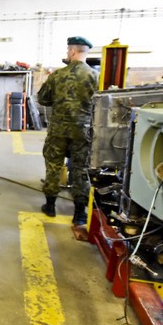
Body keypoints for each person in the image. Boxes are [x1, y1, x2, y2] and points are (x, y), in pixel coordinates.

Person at [36, 36, 98, 225]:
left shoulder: (57, 75)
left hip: (58, 131)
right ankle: (79, 214)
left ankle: (51, 206)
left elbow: (43, 99)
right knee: (80, 170)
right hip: (83, 131)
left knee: (54, 167)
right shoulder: (95, 76)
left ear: (72, 51)